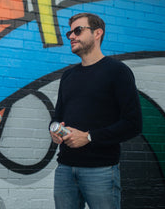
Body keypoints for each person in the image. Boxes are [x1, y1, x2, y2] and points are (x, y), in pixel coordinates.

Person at [50, 12, 142, 209]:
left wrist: (89, 137)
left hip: (100, 170)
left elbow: (133, 124)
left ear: (97, 33)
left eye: (78, 31)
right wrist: (54, 131)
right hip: (65, 169)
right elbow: (57, 117)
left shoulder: (118, 72)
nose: (71, 36)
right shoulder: (68, 76)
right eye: (69, 33)